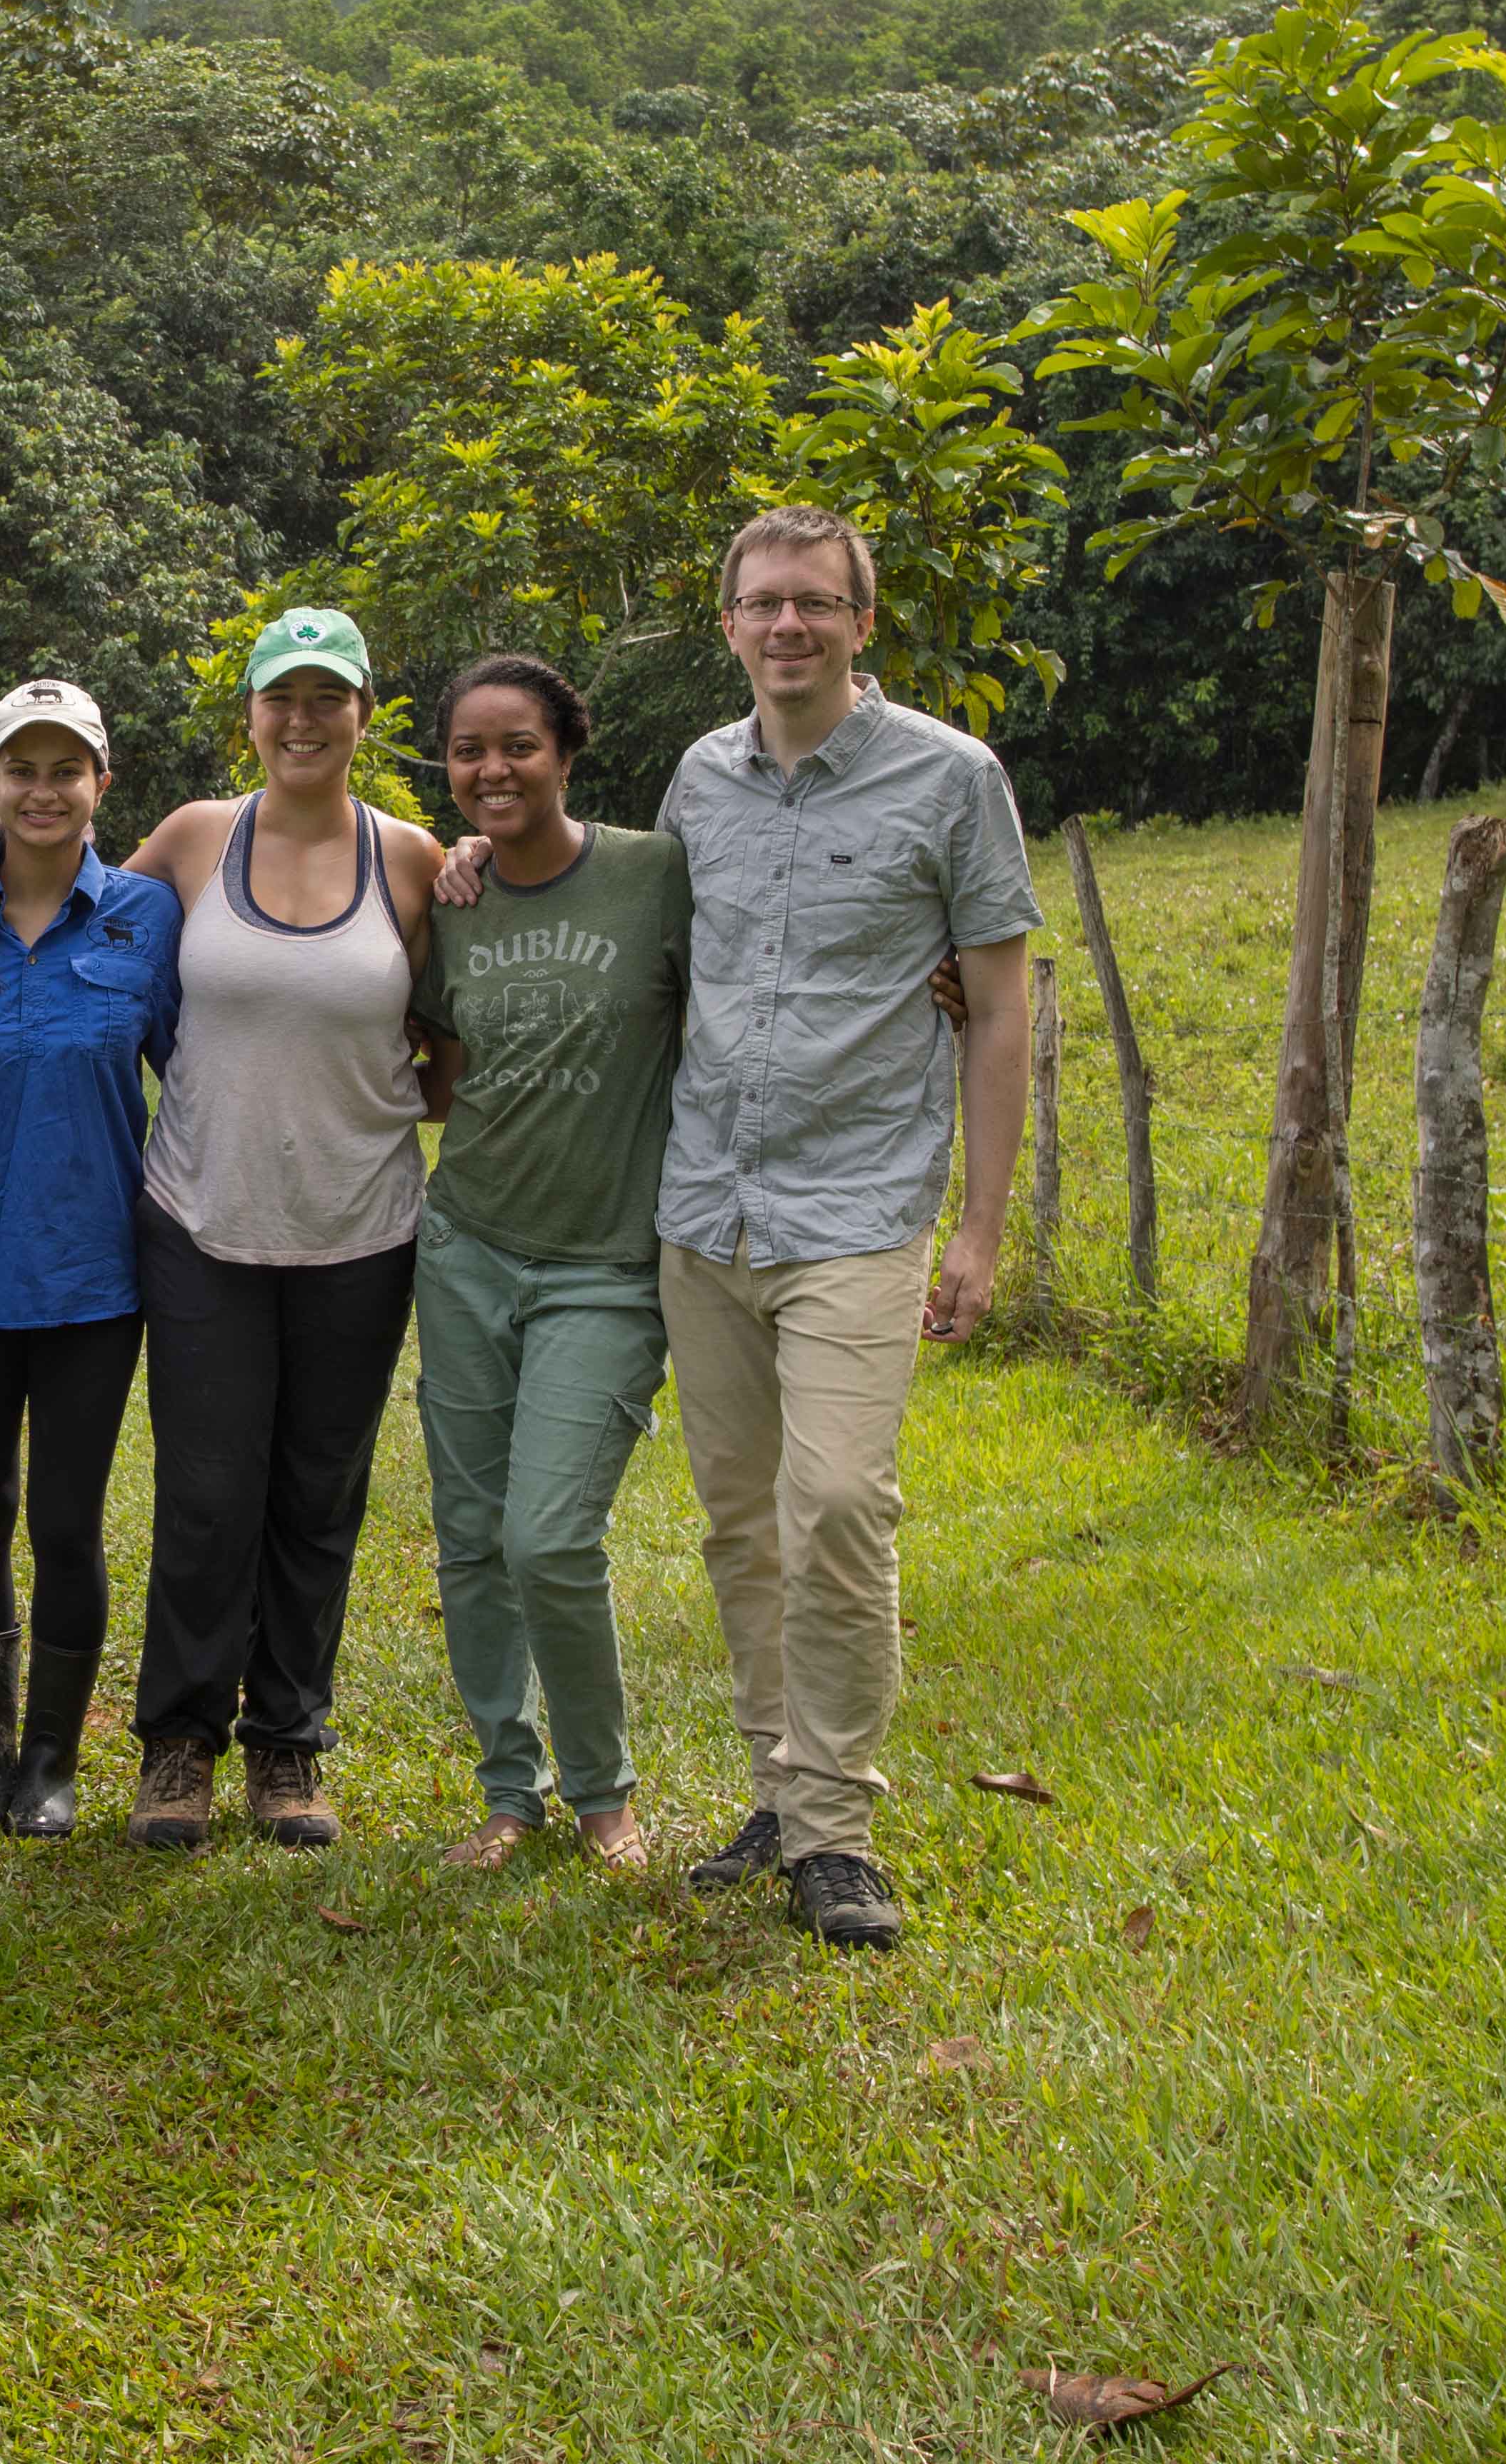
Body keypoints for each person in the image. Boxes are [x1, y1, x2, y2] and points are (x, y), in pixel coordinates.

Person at [650, 504, 1038, 1951]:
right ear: (733, 622)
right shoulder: (698, 778)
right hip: (705, 1206)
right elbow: (664, 961)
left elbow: (999, 1006)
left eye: (817, 601)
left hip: (862, 1207)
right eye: (763, 602)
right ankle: (779, 1793)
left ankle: (839, 1827)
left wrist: (979, 1233)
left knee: (837, 1508)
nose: (789, 624)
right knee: (744, 1520)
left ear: (863, 623)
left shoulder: (952, 778)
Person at [113, 605, 448, 1851]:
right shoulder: (198, 838)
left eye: (328, 698)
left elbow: (456, 1040)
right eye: (281, 698)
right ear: (249, 713)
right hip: (202, 1218)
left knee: (319, 1492)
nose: (302, 721)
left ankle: (289, 1747)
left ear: (365, 713)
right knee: (207, 1492)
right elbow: (77, 933)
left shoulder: (413, 860)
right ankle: (180, 1746)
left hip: (361, 1229)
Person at [401, 653, 691, 1875]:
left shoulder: (654, 874)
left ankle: (603, 1794)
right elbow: (440, 1068)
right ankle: (508, 1792)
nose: (493, 770)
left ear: (568, 752)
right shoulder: (451, 900)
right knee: (470, 1533)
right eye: (469, 751)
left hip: (608, 1265)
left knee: (550, 1539)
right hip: (466, 1246)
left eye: (517, 745)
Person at [0, 678, 179, 1839]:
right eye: (23, 767)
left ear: (100, 786)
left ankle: (55, 1761)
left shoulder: (149, 919)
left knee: (67, 1521)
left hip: (94, 1275)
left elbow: (199, 1069)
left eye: (68, 768)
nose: (44, 789)